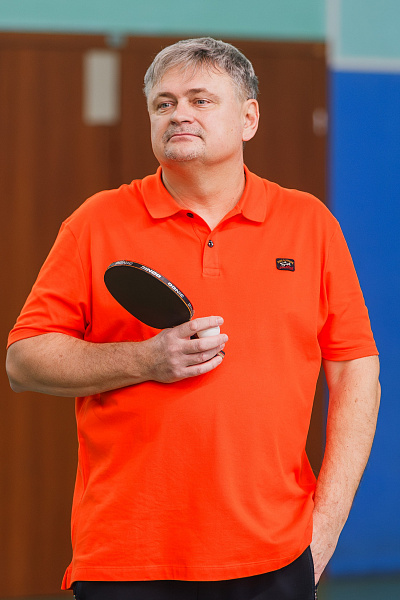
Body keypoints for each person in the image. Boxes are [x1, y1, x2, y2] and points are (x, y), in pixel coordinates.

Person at [6, 38, 380, 600]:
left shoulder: (310, 223)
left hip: (274, 554)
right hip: (127, 559)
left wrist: (321, 533)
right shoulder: (96, 221)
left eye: (201, 100)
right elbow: (24, 360)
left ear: (249, 118)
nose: (178, 113)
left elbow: (355, 370)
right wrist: (146, 359)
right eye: (164, 103)